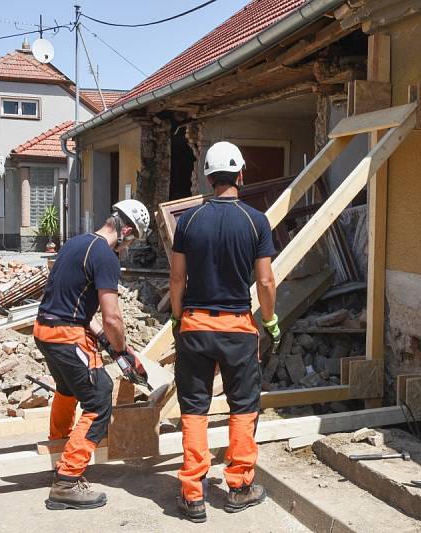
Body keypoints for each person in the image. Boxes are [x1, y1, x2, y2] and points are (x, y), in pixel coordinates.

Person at [170, 141, 280, 523]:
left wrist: (176, 316)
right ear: (241, 175)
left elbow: (177, 276)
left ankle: (192, 495)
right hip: (237, 329)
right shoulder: (255, 221)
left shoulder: (187, 221)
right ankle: (239, 487)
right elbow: (265, 281)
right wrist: (269, 320)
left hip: (195, 325)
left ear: (208, 176)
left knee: (195, 409)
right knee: (244, 405)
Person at [33, 199, 151, 510]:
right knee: (100, 397)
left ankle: (59, 449)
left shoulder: (76, 243)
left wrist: (103, 339)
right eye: (132, 239)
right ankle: (67, 480)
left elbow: (75, 301)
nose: (127, 248)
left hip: (45, 331)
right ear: (125, 230)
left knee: (68, 389)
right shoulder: (106, 256)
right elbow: (112, 317)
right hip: (67, 337)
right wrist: (123, 349)